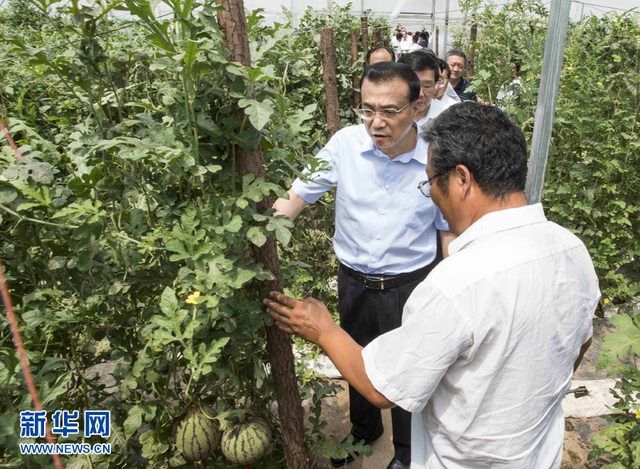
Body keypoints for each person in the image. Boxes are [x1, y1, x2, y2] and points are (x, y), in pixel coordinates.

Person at [265, 102, 600, 469]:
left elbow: (381, 387)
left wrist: (322, 328)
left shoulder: (457, 284)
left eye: (430, 183)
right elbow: (578, 343)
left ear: (460, 179)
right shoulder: (571, 248)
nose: (432, 195)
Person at [272, 62, 453, 469]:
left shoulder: (435, 158)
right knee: (354, 354)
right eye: (367, 110)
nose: (376, 122)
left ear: (417, 105)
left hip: (411, 285)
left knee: (410, 373)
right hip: (353, 280)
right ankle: (364, 428)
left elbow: (447, 233)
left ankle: (407, 451)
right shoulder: (344, 145)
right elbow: (297, 196)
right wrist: (259, 234)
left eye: (389, 111)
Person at [398, 51, 445, 130]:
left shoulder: (449, 117)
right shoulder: (385, 116)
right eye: (413, 86)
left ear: (436, 84)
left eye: (427, 86)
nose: (420, 94)